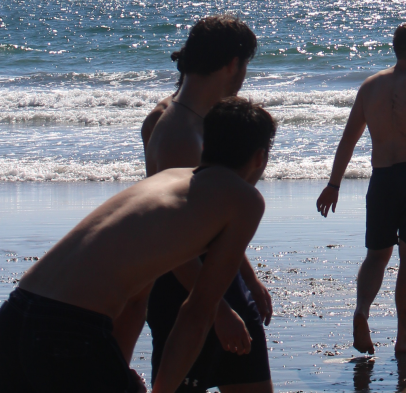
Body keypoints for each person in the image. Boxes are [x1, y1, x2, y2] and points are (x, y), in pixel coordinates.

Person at [0, 97, 276, 393]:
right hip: (69, 329)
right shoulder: (244, 200)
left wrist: (118, 365)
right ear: (260, 157)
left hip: (16, 314)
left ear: (205, 146)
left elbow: (136, 299)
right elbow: (198, 312)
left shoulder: (167, 179)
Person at [145, 15, 274, 393]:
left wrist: (248, 280)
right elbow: (174, 241)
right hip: (187, 291)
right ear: (233, 64)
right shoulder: (178, 133)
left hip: (218, 279)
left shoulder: (202, 120)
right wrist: (218, 311)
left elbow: (215, 224)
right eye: (246, 65)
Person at [316, 22, 406, 355]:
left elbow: (349, 137)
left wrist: (334, 184)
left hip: (381, 179)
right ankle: (405, 336)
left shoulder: (370, 87)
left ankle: (362, 311)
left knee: (376, 256)